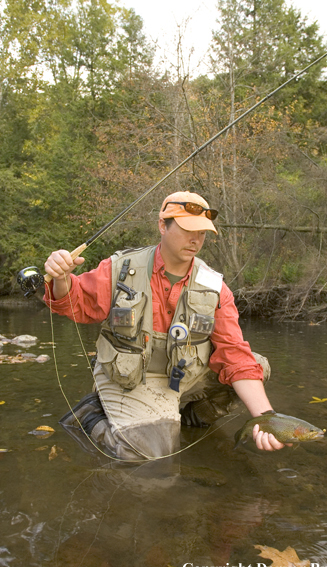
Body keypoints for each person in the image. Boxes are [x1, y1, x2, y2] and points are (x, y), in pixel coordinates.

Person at [44, 191, 287, 460]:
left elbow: (234, 354)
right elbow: (75, 303)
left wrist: (267, 418)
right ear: (163, 225)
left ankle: (187, 418)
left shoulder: (215, 286)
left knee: (256, 366)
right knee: (150, 457)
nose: (196, 239)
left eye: (202, 233)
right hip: (132, 378)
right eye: (187, 229)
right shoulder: (121, 268)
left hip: (181, 376)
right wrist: (61, 278)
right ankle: (91, 417)